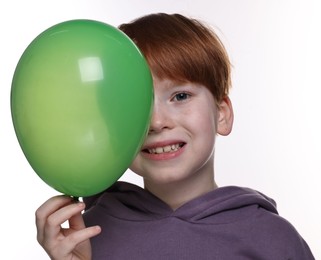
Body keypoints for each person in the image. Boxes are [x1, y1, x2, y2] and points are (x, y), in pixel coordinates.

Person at [35, 13, 315, 260]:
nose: (156, 122)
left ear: (221, 114)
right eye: (134, 103)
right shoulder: (83, 236)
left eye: (180, 96)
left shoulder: (272, 239)